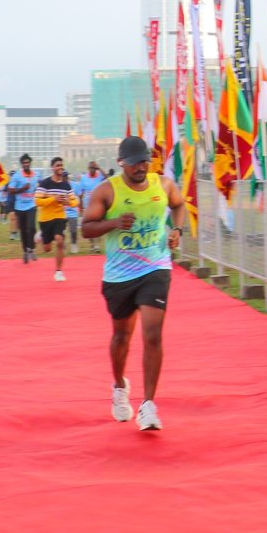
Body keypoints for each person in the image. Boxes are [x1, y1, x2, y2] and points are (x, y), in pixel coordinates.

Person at [81, 135, 186, 431]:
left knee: (152, 333)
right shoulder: (107, 191)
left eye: (145, 160)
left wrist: (176, 229)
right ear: (121, 163)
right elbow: (86, 228)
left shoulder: (163, 184)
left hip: (156, 267)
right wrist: (114, 223)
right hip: (119, 275)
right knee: (121, 337)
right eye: (134, 162)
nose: (141, 167)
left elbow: (179, 205)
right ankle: (118, 386)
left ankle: (149, 404)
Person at [34, 156, 78, 282]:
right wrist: (54, 198)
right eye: (57, 165)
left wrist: (68, 201)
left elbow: (75, 201)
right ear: (52, 167)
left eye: (61, 165)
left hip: (60, 217)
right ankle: (42, 235)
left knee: (59, 241)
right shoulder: (45, 183)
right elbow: (37, 201)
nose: (60, 167)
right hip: (45, 219)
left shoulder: (66, 185)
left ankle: (58, 271)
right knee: (47, 249)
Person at [4, 155, 38, 264]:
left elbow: (41, 186)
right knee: (23, 230)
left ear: (30, 163)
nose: (26, 164)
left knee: (31, 228)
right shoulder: (17, 176)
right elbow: (11, 190)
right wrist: (23, 189)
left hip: (32, 205)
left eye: (27, 162)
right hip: (20, 207)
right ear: (21, 164)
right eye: (24, 163)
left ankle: (31, 248)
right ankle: (25, 251)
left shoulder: (36, 175)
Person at [71, 162, 106, 253]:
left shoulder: (99, 177)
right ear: (88, 168)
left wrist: (100, 168)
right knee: (88, 227)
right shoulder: (84, 178)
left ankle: (97, 245)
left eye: (94, 168)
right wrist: (81, 208)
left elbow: (107, 178)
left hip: (99, 205)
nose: (92, 170)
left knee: (98, 226)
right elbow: (81, 194)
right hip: (87, 206)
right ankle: (92, 245)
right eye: (91, 168)